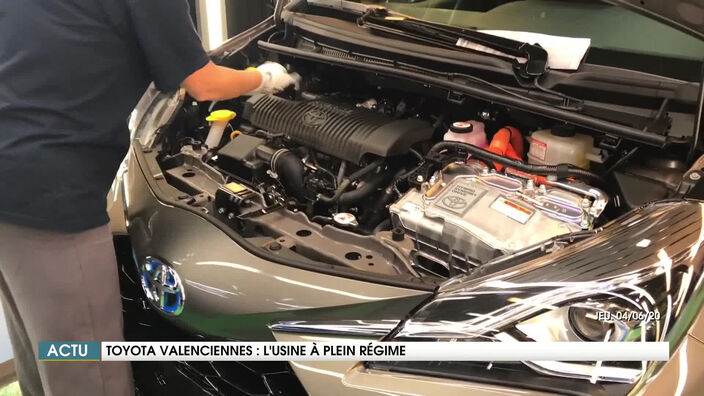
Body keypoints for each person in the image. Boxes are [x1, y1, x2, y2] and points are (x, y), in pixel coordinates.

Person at [0, 1, 297, 395]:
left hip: (11, 173)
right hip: (49, 195)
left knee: (41, 348)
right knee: (87, 369)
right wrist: (262, 78)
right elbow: (204, 85)